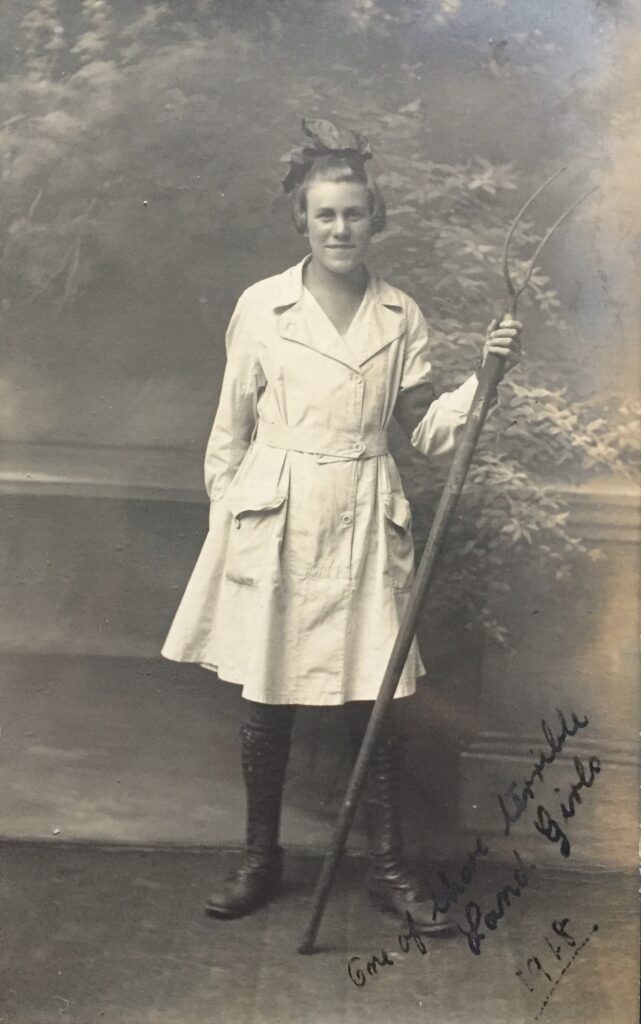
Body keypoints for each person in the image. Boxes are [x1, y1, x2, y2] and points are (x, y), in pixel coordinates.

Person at [161, 118, 521, 934]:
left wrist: (486, 374)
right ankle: (261, 856)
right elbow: (229, 430)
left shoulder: (398, 315)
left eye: (353, 213)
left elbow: (422, 428)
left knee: (374, 696)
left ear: (374, 218)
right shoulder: (262, 307)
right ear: (302, 221)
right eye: (324, 214)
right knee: (269, 695)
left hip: (362, 508)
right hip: (278, 514)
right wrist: (233, 520)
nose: (339, 228)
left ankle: (388, 866)